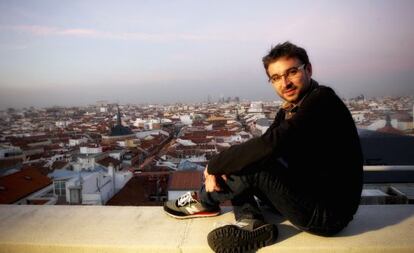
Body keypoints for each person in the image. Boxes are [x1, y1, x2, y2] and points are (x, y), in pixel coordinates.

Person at [164, 41, 363, 252]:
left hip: (327, 215)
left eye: (292, 72)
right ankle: (251, 221)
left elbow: (269, 145)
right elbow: (260, 150)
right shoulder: (292, 108)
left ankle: (204, 200)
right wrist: (225, 165)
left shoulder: (322, 101)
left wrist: (214, 165)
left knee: (254, 166)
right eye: (276, 78)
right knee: (248, 161)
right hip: (305, 193)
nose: (285, 83)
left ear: (309, 69)